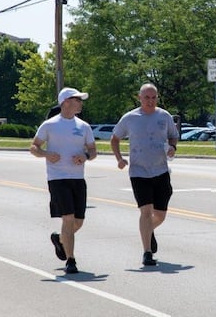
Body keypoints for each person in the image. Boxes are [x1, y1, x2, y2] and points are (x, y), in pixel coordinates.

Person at [110, 83, 179, 267]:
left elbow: (173, 136)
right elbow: (114, 138)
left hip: (161, 170)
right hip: (139, 172)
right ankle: (147, 252)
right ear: (140, 98)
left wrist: (172, 147)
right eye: (146, 97)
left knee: (160, 215)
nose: (150, 101)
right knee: (146, 212)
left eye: (153, 97)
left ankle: (147, 232)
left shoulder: (164, 116)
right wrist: (119, 159)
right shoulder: (130, 118)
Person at [30, 87, 97, 275]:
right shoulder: (50, 125)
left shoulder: (83, 126)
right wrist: (45, 154)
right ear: (66, 102)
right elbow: (34, 147)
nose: (81, 103)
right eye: (78, 100)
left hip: (78, 178)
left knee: (78, 222)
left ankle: (60, 239)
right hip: (58, 178)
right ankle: (71, 260)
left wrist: (85, 156)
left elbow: (93, 151)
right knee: (67, 218)